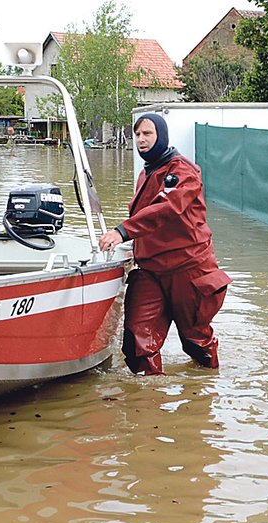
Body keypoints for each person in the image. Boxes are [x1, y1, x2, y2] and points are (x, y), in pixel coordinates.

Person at [98, 112, 231, 374]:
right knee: (137, 343)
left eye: (147, 134)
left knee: (196, 343)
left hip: (188, 269)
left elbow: (166, 208)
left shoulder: (183, 171)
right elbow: (147, 218)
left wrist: (122, 232)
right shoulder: (146, 173)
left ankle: (203, 391)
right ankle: (147, 403)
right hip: (151, 269)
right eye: (137, 134)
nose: (141, 140)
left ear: (162, 136)